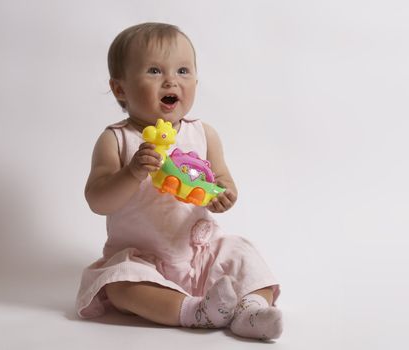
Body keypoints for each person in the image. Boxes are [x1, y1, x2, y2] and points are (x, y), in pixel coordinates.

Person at [75, 22, 282, 340]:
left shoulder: (203, 133)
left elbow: (222, 179)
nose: (171, 80)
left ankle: (250, 311)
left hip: (200, 252)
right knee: (120, 286)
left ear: (197, 80)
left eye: (183, 71)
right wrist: (131, 173)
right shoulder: (116, 140)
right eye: (155, 71)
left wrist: (224, 194)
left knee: (245, 255)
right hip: (143, 260)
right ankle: (193, 312)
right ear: (120, 89)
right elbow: (98, 200)